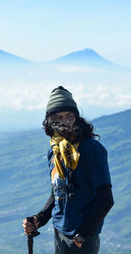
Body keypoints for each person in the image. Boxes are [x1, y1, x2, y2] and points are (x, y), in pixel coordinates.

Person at [22, 86, 114, 254]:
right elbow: (57, 193)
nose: (65, 122)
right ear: (49, 120)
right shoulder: (54, 152)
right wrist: (39, 219)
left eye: (69, 116)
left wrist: (82, 235)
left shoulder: (91, 149)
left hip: (81, 238)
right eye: (58, 117)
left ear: (76, 119)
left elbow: (106, 199)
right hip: (59, 232)